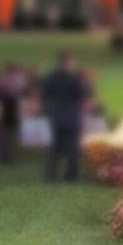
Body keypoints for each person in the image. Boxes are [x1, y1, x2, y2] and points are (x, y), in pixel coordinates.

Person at [42, 51, 87, 182]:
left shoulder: (51, 77)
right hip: (71, 115)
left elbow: (46, 94)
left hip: (56, 114)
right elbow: (81, 95)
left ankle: (51, 174)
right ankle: (71, 174)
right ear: (70, 62)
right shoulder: (75, 78)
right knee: (72, 146)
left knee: (56, 146)